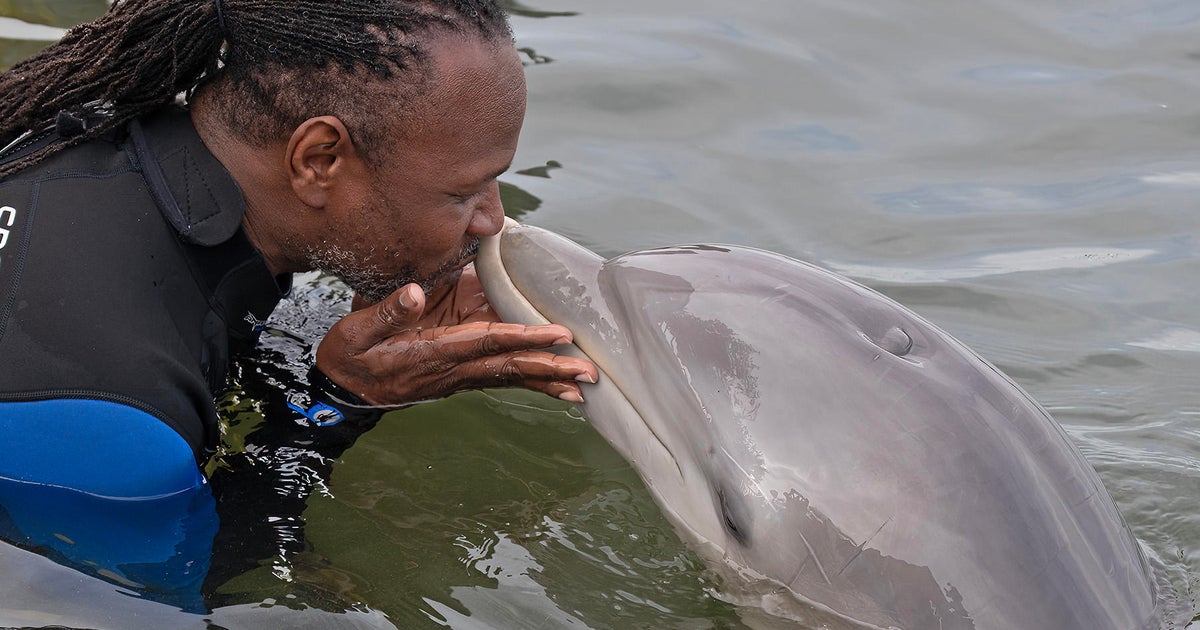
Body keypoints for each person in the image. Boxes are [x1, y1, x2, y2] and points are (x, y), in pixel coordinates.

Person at [0, 0, 596, 608]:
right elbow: (171, 599)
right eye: (463, 192)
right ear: (318, 161)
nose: (493, 219)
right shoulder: (118, 423)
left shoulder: (88, 122)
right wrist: (338, 404)